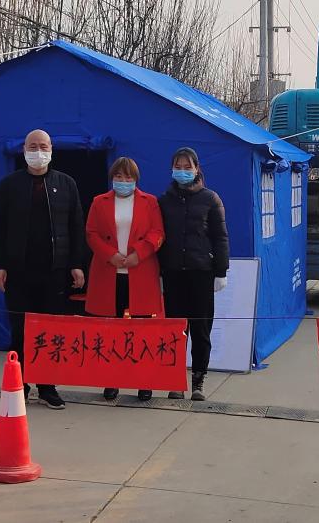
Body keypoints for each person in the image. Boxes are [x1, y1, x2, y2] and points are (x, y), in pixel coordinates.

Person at [0, 129, 87, 410]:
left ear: (52, 150)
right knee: (19, 331)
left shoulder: (66, 184)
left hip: (54, 271)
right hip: (18, 272)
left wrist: (77, 264)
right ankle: (18, 385)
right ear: (24, 150)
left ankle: (47, 387)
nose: (38, 151)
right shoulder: (9, 185)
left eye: (43, 146)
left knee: (50, 331)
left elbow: (76, 227)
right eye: (33, 146)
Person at [84, 157, 165, 402]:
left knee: (142, 331)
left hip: (140, 272)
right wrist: (111, 255)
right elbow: (91, 234)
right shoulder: (99, 202)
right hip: (109, 273)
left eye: (128, 177)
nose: (123, 181)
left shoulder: (150, 202)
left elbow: (158, 233)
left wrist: (138, 254)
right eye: (118, 176)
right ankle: (111, 380)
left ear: (135, 179)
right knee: (111, 331)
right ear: (112, 178)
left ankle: (144, 381)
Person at [158, 147, 229, 401]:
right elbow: (159, 238)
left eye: (187, 167)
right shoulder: (164, 201)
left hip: (201, 272)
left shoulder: (210, 199)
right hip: (173, 273)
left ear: (197, 169)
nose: (183, 171)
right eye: (178, 167)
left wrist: (221, 271)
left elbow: (220, 237)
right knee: (176, 330)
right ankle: (175, 381)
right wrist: (159, 271)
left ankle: (198, 381)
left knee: (200, 329)